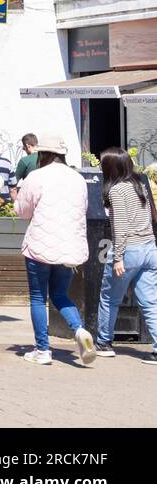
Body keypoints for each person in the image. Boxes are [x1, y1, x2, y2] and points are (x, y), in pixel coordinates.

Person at [14, 132, 95, 366]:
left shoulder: (36, 177)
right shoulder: (78, 179)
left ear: (43, 154)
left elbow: (23, 212)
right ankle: (79, 330)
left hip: (40, 245)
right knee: (60, 295)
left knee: (38, 299)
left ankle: (42, 350)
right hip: (69, 247)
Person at [96, 147, 157, 360]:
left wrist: (118, 257)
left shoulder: (117, 190)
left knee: (109, 298)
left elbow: (120, 227)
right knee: (150, 302)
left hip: (129, 250)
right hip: (149, 248)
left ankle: (104, 343)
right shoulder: (139, 185)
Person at [10, 133, 39, 198]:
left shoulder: (24, 161)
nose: (24, 150)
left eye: (24, 148)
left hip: (30, 198)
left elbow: (13, 185)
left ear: (27, 146)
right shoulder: (47, 158)